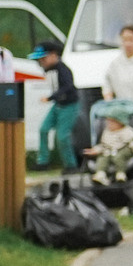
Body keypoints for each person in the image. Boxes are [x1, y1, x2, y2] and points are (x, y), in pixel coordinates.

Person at [97, 23, 133, 142]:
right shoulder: (116, 63)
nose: (127, 44)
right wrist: (108, 98)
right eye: (124, 40)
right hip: (122, 109)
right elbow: (107, 83)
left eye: (131, 40)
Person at [34, 41, 82, 172]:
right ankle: (43, 161)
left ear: (54, 55)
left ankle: (71, 165)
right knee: (43, 129)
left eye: (43, 59)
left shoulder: (63, 70)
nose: (41, 62)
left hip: (69, 105)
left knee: (62, 136)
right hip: (58, 105)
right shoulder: (48, 69)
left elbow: (68, 86)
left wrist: (51, 97)